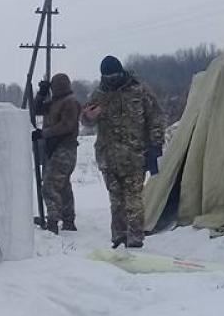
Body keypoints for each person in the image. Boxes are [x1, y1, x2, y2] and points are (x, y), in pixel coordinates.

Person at [81, 56, 164, 248]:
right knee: (115, 201)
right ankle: (118, 238)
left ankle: (135, 240)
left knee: (133, 200)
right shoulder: (98, 94)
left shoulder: (139, 91)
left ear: (122, 72)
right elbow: (85, 120)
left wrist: (155, 145)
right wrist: (88, 116)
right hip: (108, 157)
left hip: (134, 156)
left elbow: (156, 118)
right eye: (107, 76)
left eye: (114, 75)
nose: (111, 79)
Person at [33, 73, 81, 234]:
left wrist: (44, 133)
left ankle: (53, 221)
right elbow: (35, 109)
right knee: (63, 185)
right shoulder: (54, 102)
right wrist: (41, 93)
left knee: (50, 185)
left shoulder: (70, 102)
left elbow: (66, 126)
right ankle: (68, 220)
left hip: (65, 148)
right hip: (54, 148)